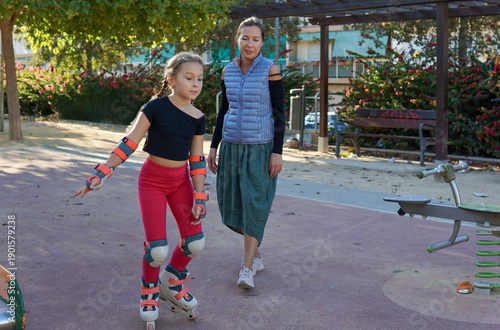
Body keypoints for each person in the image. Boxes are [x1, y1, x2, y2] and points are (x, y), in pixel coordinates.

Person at [74, 52, 208, 327]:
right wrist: (103, 172)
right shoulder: (155, 107)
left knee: (195, 243)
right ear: (171, 79)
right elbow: (129, 142)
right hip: (153, 182)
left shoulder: (198, 117)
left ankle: (171, 283)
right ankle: (149, 291)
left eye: (200, 79)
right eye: (189, 77)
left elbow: (196, 160)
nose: (196, 84)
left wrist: (199, 195)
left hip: (181, 181)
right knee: (157, 249)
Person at [207, 16, 285, 289]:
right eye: (245, 38)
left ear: (263, 42)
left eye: (255, 39)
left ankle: (247, 267)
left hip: (259, 148)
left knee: (255, 204)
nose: (249, 43)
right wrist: (214, 146)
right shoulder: (228, 70)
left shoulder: (270, 70)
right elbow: (223, 111)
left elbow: (280, 115)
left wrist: (277, 152)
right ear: (237, 40)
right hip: (230, 146)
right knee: (233, 206)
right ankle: (257, 255)